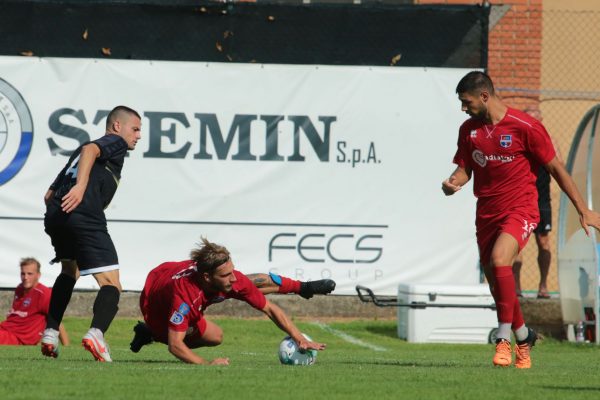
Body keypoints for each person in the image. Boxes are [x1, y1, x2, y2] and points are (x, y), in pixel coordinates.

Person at [442, 71, 600, 369]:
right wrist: (453, 182)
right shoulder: (469, 130)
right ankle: (524, 336)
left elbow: (557, 169)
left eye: (467, 102)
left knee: (502, 259)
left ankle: (503, 339)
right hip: (486, 212)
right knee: (496, 283)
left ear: (484, 96)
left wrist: (583, 209)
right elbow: (465, 167)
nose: (464, 108)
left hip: (521, 209)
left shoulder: (526, 127)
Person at [41, 106, 142, 362]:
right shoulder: (113, 142)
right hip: (81, 215)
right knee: (111, 283)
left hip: (56, 215)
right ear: (117, 126)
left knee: (69, 271)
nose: (138, 135)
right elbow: (91, 150)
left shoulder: (78, 152)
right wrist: (82, 188)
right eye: (135, 128)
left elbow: (49, 195)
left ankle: (51, 333)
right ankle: (96, 334)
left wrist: (66, 209)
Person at [129, 238, 329, 364]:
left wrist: (299, 337)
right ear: (207, 277)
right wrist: (207, 365)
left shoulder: (226, 278)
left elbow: (269, 308)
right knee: (196, 336)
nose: (233, 278)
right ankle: (150, 333)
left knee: (250, 285)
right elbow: (175, 346)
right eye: (226, 275)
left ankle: (302, 287)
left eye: (232, 270)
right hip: (155, 305)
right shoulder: (185, 300)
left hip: (173, 277)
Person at [512, 107, 562, 299]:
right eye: (529, 119)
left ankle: (543, 286)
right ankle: (516, 287)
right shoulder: (517, 140)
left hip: (541, 200)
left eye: (536, 120)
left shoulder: (550, 142)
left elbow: (560, 168)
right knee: (516, 243)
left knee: (543, 242)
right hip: (520, 199)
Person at [0, 258, 69, 346]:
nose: (25, 277)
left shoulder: (44, 293)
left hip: (18, 337)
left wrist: (66, 346)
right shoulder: (20, 288)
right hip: (6, 330)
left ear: (38, 275)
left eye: (30, 274)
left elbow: (56, 320)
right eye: (23, 273)